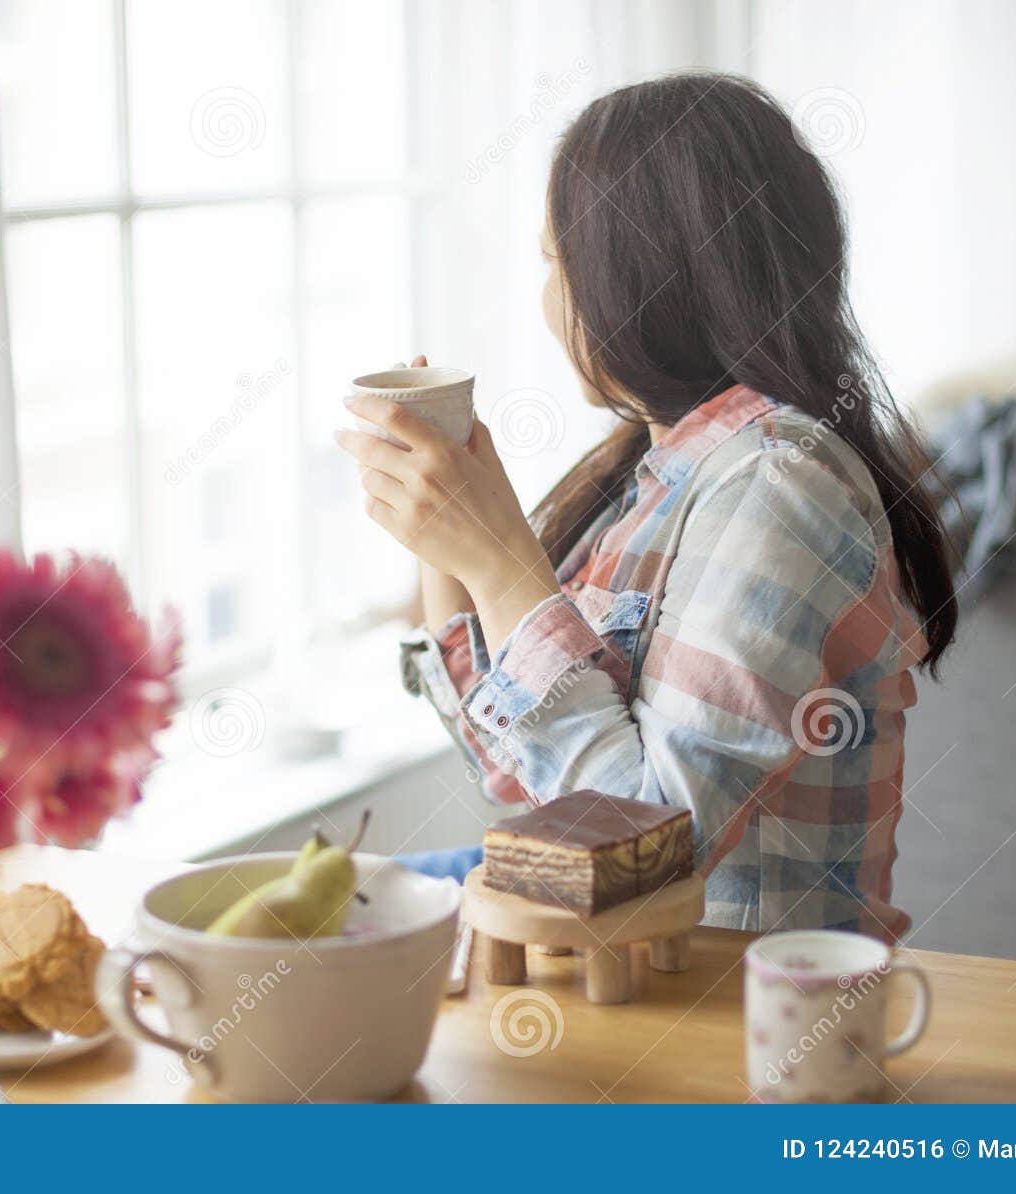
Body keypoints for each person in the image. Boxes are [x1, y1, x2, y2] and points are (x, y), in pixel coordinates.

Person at [335, 74, 957, 942]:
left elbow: (649, 848)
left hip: (734, 1021)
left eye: (556, 261)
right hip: (617, 980)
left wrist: (499, 562)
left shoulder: (780, 484)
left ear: (644, 275)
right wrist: (445, 533)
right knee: (311, 911)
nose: (549, 298)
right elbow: (527, 777)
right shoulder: (657, 468)